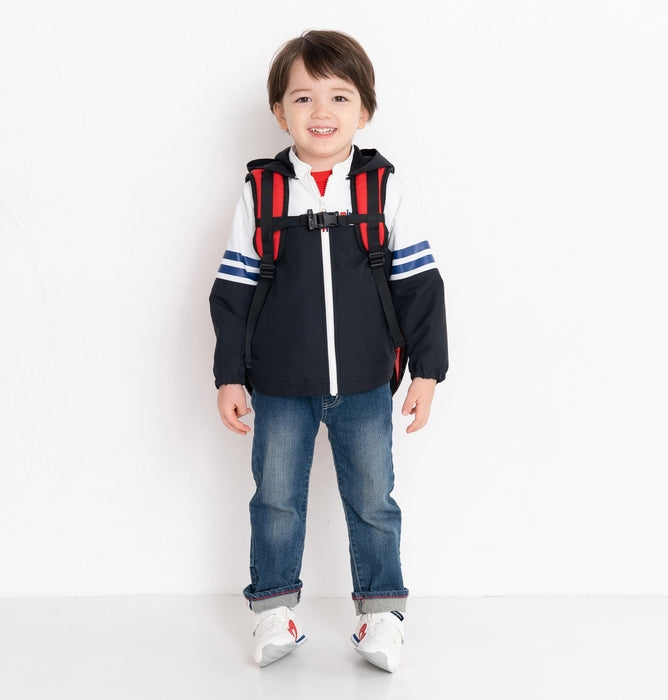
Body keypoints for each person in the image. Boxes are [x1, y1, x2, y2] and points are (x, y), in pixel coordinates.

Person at [209, 29, 448, 672]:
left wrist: (427, 371)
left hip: (367, 380)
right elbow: (233, 289)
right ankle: (273, 611)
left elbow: (419, 283)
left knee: (373, 501)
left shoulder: (382, 188)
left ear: (364, 110)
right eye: (303, 97)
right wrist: (229, 376)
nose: (321, 112)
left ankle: (381, 615)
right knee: (275, 500)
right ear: (278, 111)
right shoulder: (262, 191)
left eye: (339, 97)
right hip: (279, 382)